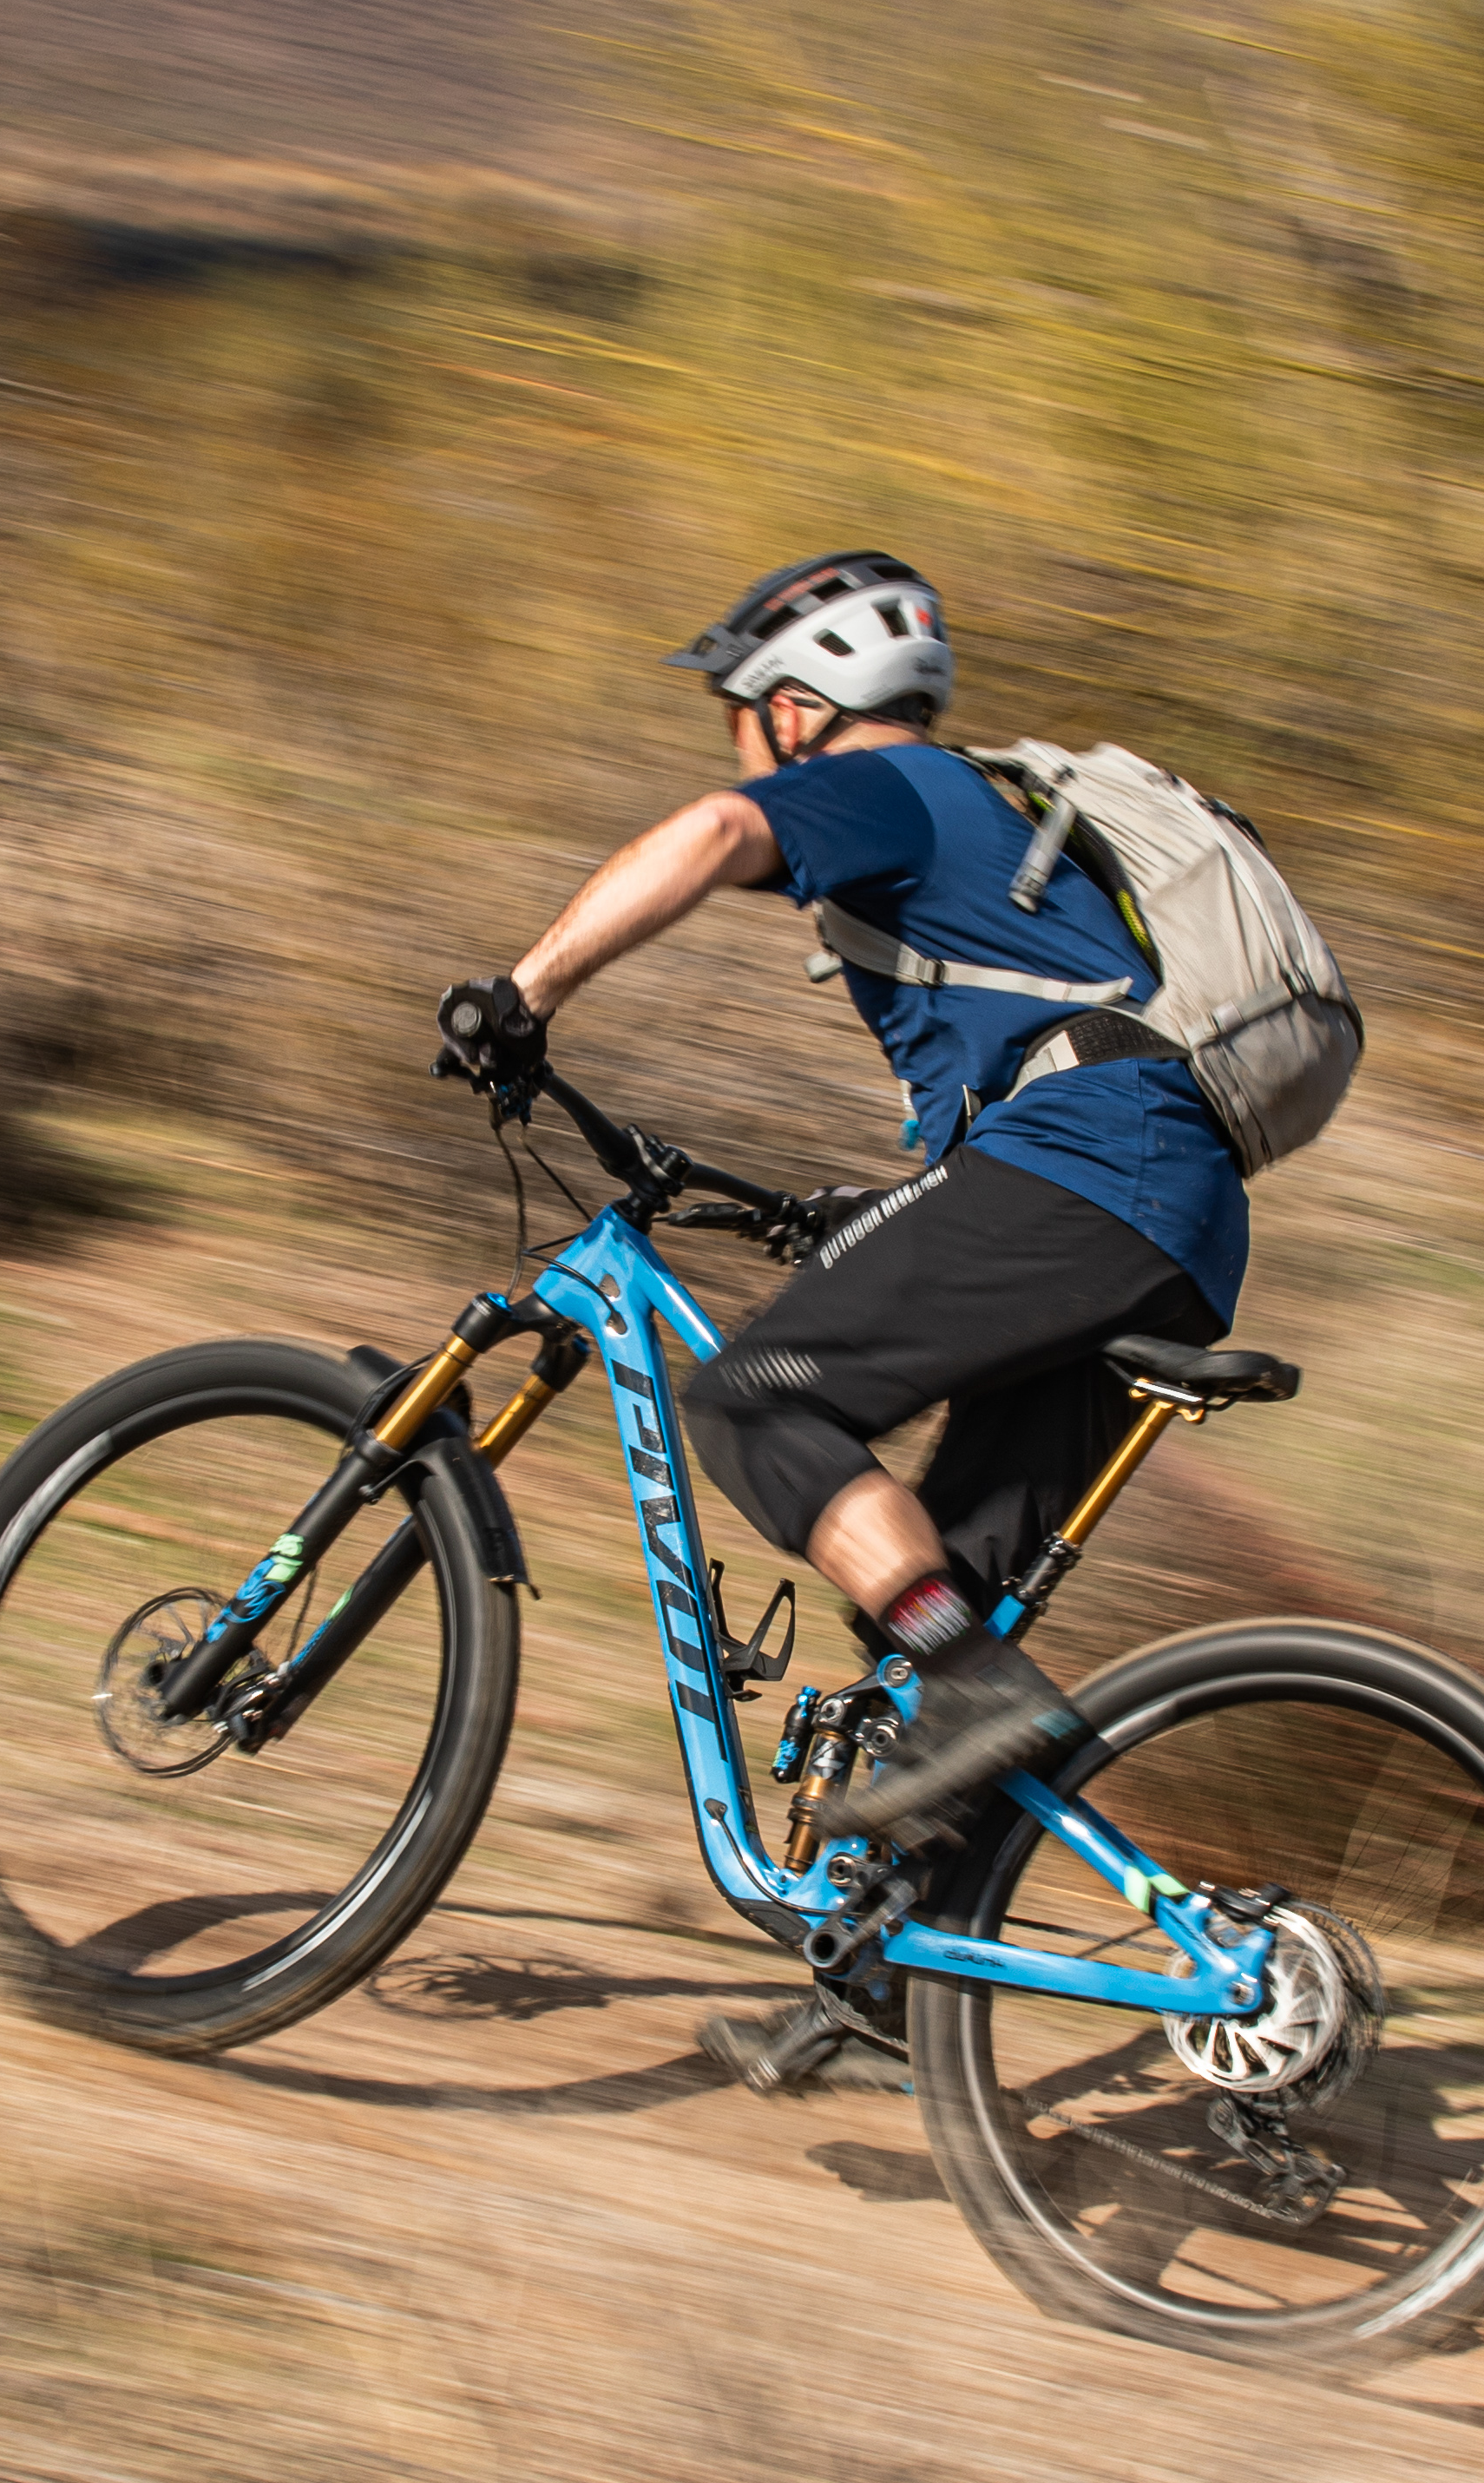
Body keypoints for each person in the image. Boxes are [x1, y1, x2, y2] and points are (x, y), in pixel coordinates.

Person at [430, 550, 1251, 2091]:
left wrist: (525, 990)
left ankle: (971, 1688)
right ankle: (887, 1984)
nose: (737, 744)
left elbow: (719, 830)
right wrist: (865, 1223)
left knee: (752, 1401)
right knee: (943, 1613)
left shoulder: (884, 784)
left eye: (743, 713)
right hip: (1158, 1205)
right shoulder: (982, 827)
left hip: (1091, 1169)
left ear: (802, 710)